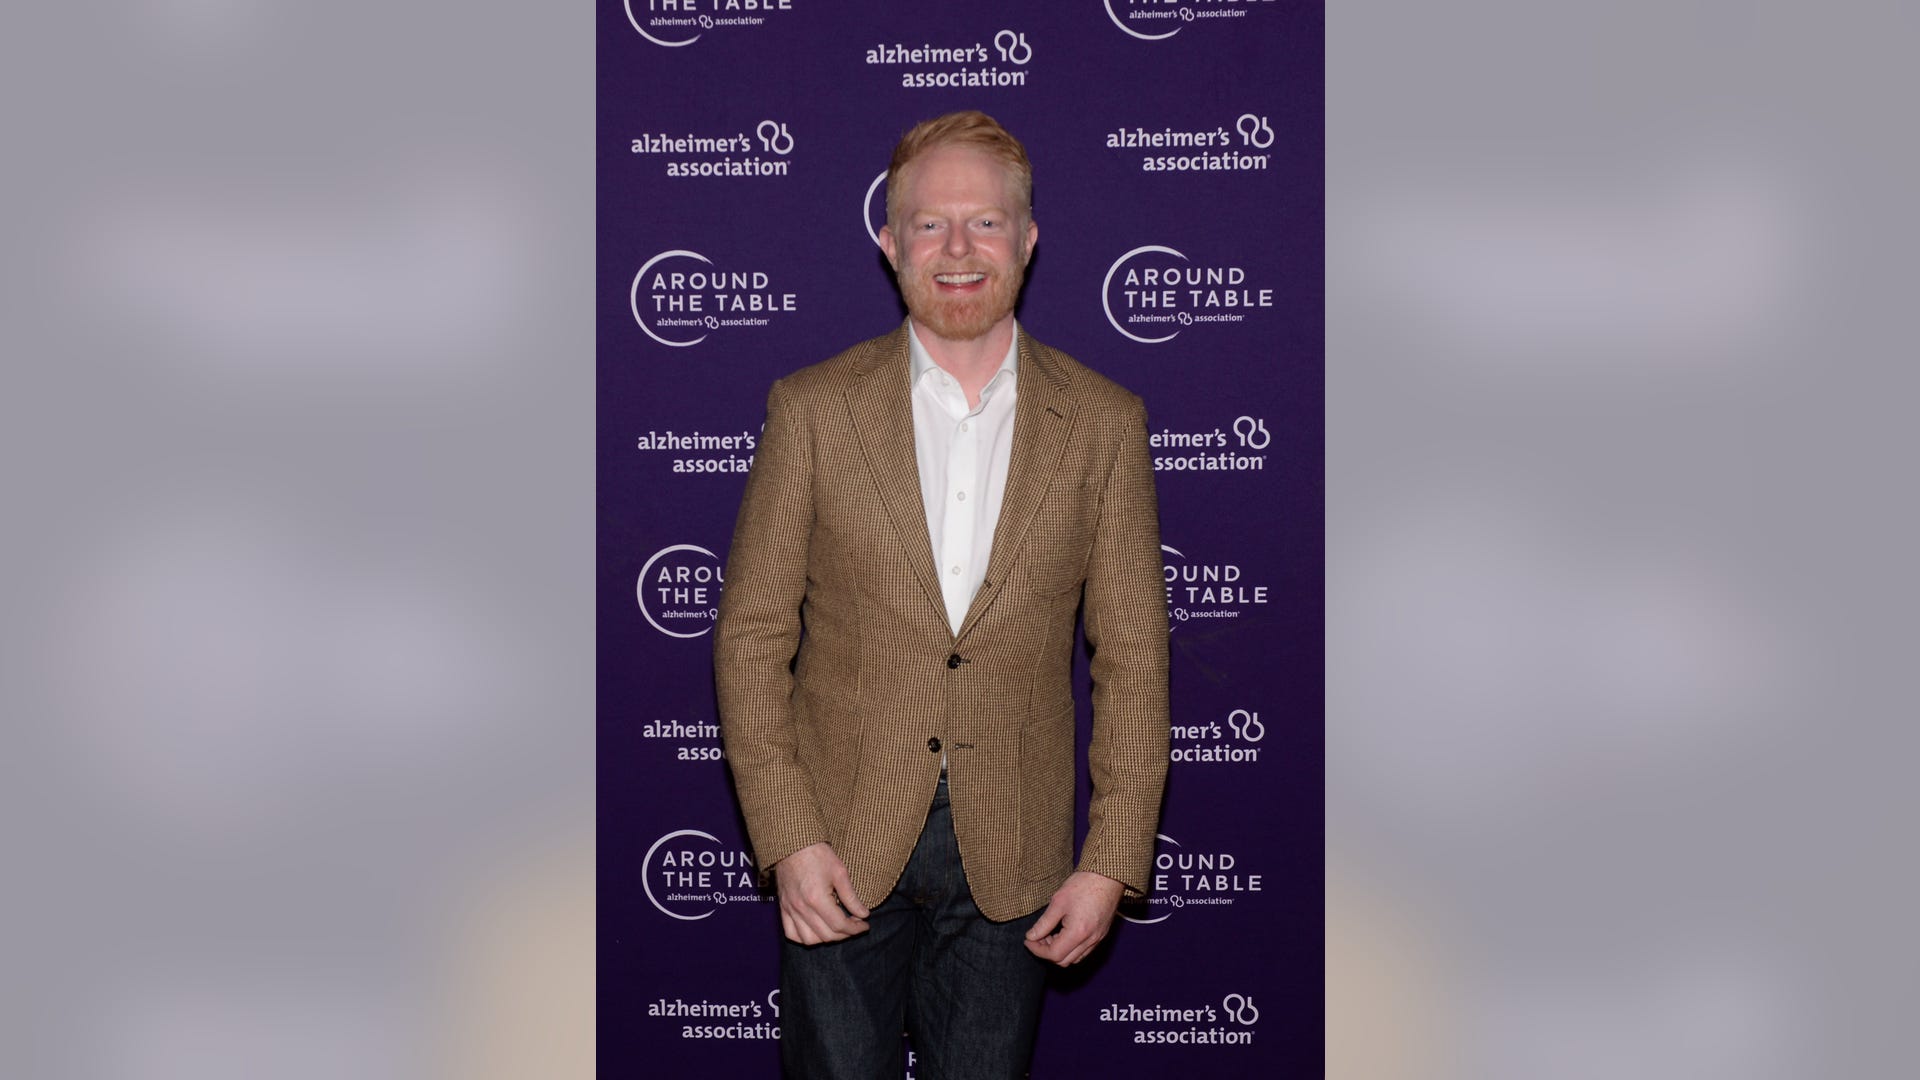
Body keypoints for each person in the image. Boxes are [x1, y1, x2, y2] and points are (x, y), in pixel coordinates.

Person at [714, 110, 1170, 1079]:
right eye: (930, 224)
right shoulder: (809, 411)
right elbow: (752, 637)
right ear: (890, 241)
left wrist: (1110, 860)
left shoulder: (1103, 424)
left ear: (1029, 238)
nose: (958, 249)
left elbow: (1132, 657)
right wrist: (788, 837)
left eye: (987, 223)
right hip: (837, 844)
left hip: (1014, 856)